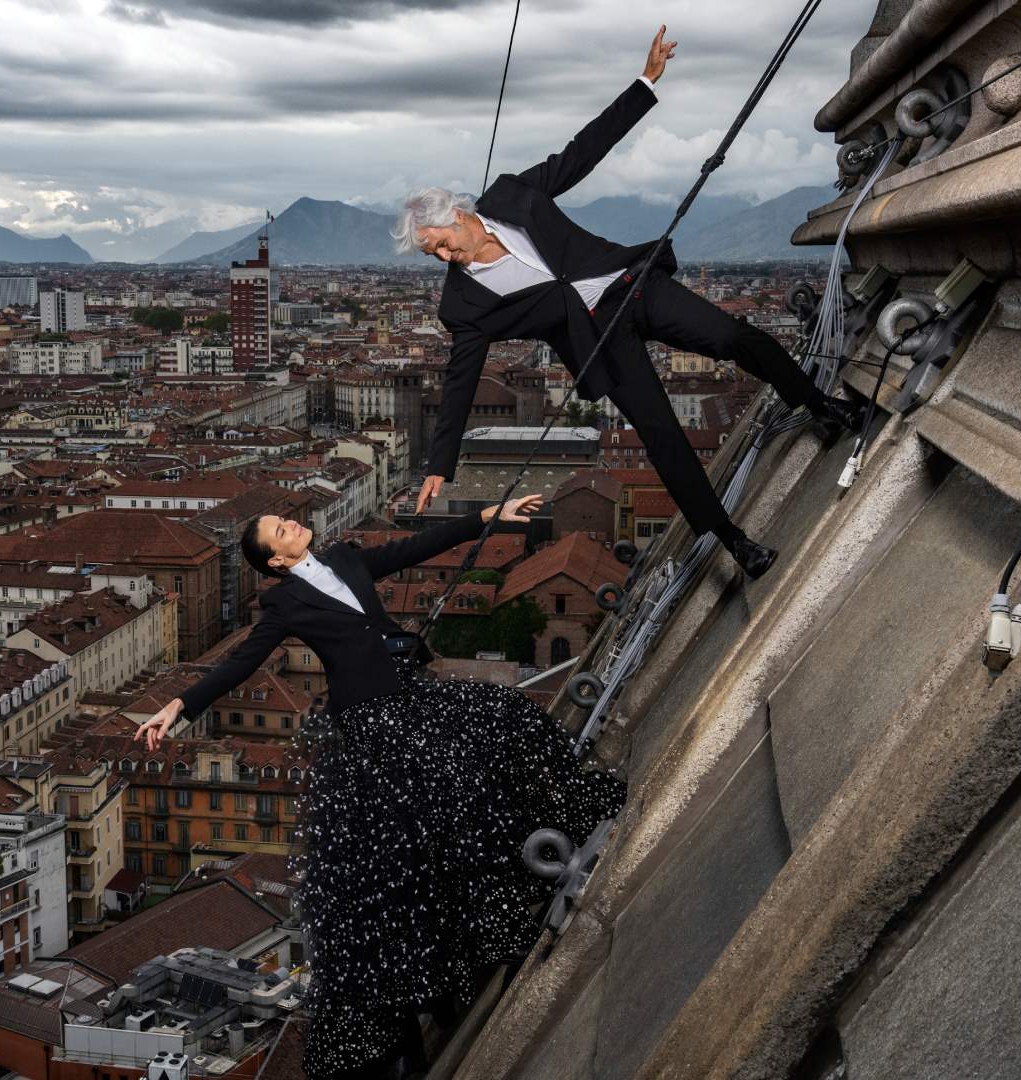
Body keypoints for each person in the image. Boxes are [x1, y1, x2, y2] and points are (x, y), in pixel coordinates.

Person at [138, 499, 623, 1080]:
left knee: (503, 715)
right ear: (276, 563)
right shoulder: (282, 602)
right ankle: (492, 930)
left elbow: (416, 548)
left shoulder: (343, 558)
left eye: (282, 519)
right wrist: (179, 706)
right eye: (277, 530)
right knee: (445, 814)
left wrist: (490, 513)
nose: (289, 523)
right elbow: (241, 664)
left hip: (411, 697)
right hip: (372, 723)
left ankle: (558, 821)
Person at [397, 25, 864, 580]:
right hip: (598, 344)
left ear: (457, 215)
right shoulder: (462, 304)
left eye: (440, 243)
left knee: (736, 338)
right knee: (662, 437)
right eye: (433, 254)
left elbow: (582, 152)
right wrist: (439, 463)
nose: (444, 256)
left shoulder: (511, 195)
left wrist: (645, 82)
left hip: (631, 287)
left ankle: (819, 406)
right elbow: (460, 376)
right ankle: (733, 542)